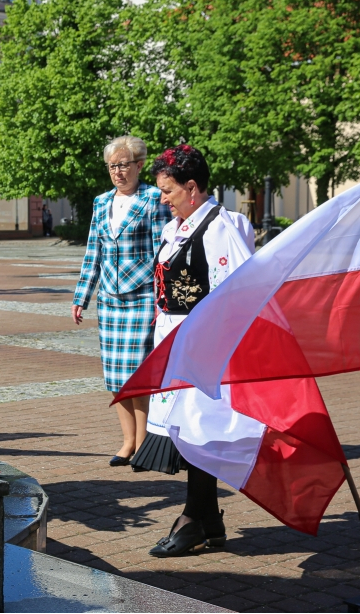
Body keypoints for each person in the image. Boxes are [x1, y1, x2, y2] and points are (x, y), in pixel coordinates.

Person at [128, 144, 255, 557]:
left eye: (168, 191)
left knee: (200, 430)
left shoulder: (222, 227)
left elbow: (234, 292)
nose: (162, 199)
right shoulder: (177, 227)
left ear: (192, 188)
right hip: (175, 339)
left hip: (204, 343)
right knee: (189, 431)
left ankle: (191, 520)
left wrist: (206, 342)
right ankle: (209, 520)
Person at [72, 136, 171, 466]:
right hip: (110, 299)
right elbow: (93, 253)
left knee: (137, 374)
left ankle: (143, 443)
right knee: (115, 376)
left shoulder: (154, 199)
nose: (118, 172)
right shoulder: (101, 203)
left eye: (123, 165)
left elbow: (163, 252)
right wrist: (81, 297)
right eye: (112, 166)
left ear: (139, 165)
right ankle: (127, 441)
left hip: (142, 296)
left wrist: (162, 299)